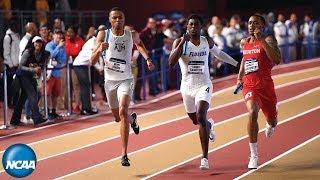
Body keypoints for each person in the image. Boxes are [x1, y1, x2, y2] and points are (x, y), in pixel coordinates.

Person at [168, 14, 238, 169]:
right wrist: (181, 45)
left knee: (200, 115)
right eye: (190, 24)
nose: (193, 27)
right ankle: (209, 125)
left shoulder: (207, 41)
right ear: (187, 27)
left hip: (203, 85)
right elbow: (171, 63)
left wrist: (236, 63)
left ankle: (204, 158)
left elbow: (219, 54)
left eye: (196, 25)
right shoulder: (179, 42)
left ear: (201, 27)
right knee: (196, 120)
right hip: (187, 88)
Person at [90, 7, 154, 166]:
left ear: (124, 20)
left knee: (123, 110)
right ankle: (133, 119)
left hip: (126, 78)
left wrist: (147, 58)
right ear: (110, 20)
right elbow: (91, 61)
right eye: (115, 18)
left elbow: (139, 45)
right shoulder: (104, 34)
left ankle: (124, 154)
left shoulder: (131, 34)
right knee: (118, 117)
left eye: (121, 18)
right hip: (110, 81)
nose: (118, 20)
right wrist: (99, 49)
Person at [236, 14, 281, 169]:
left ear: (262, 26)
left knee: (272, 121)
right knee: (252, 112)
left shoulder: (268, 40)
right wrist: (239, 77)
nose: (251, 25)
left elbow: (277, 59)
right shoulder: (244, 42)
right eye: (249, 23)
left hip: (266, 87)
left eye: (255, 23)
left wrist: (261, 41)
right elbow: (245, 59)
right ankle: (254, 155)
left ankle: (272, 117)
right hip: (250, 86)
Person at [10, 36, 52, 126]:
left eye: (40, 42)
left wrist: (38, 76)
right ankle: (37, 119)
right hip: (22, 75)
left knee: (23, 98)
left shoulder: (44, 54)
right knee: (33, 95)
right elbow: (20, 66)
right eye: (36, 42)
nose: (38, 44)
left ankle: (14, 120)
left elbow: (42, 67)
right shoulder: (28, 52)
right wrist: (33, 70)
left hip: (32, 77)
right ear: (33, 43)